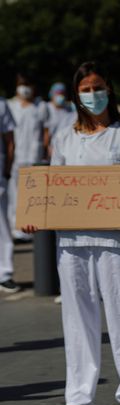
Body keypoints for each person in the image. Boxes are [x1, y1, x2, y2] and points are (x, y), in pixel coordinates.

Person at [21, 61, 120, 405]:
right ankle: (79, 395)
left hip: (117, 240)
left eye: (97, 87)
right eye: (85, 90)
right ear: (76, 95)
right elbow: (52, 189)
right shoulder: (65, 137)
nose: (92, 95)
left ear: (109, 89)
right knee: (77, 316)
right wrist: (35, 215)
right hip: (72, 241)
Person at [8, 73, 48, 240]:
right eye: (21, 85)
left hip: (34, 158)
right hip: (16, 157)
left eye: (27, 85)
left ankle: (32, 230)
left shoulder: (41, 106)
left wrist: (45, 152)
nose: (24, 89)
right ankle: (15, 229)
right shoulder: (10, 105)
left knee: (33, 195)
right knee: (14, 194)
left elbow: (46, 132)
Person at [0, 96, 17, 293]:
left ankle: (4, 274)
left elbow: (10, 140)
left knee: (2, 226)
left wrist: (7, 169)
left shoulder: (2, 104)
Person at [45, 82, 77, 157]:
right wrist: (46, 148)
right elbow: (45, 132)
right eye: (58, 93)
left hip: (68, 147)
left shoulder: (70, 108)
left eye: (62, 93)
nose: (60, 96)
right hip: (52, 147)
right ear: (52, 94)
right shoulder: (47, 108)